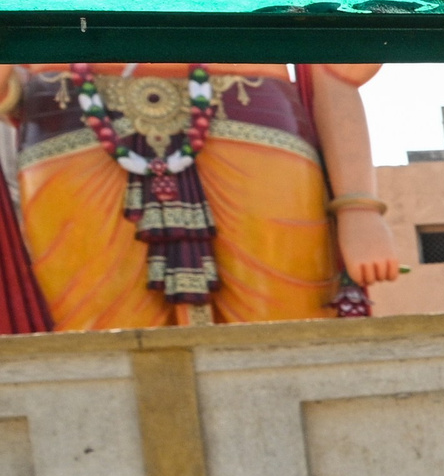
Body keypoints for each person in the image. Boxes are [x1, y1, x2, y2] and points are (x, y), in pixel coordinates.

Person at [0, 62, 398, 328]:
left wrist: (358, 206)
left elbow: (329, 65)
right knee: (96, 361)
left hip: (257, 142)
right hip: (71, 143)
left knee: (287, 345)